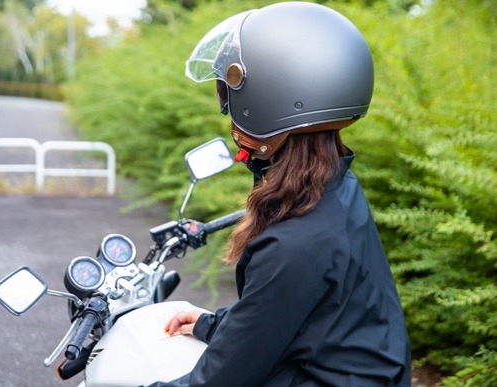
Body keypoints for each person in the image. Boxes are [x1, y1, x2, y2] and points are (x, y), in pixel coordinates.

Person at [148, 2, 411, 386]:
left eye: (229, 93)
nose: (226, 106)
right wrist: (212, 323)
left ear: (267, 100)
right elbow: (296, 313)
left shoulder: (295, 242)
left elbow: (220, 380)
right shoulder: (335, 189)